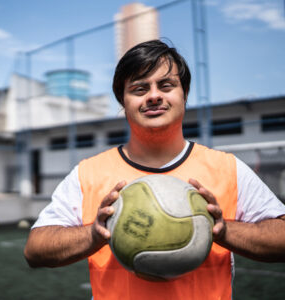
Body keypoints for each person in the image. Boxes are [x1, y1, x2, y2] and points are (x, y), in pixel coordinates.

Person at [24, 40, 285, 299]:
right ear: (123, 102)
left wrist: (223, 230)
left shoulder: (227, 168)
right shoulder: (88, 174)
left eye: (166, 85)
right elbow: (35, 249)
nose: (154, 96)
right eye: (139, 89)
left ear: (184, 95)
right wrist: (95, 234)